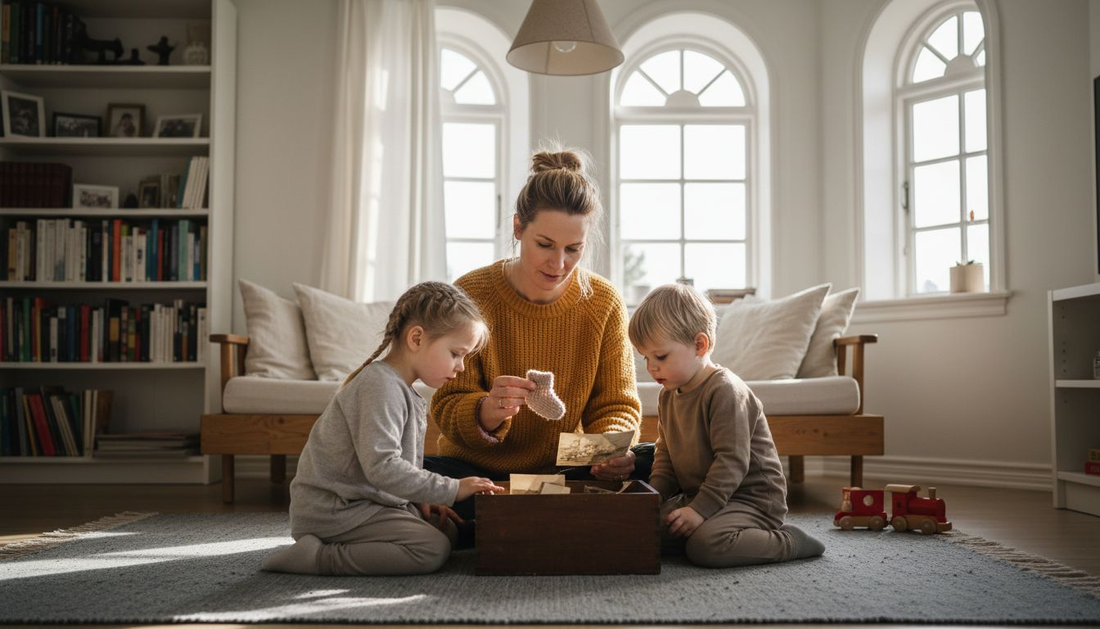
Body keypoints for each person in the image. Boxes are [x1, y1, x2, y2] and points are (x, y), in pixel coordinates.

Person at [428, 147, 646, 524]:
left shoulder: (604, 302)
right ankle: (531, 519)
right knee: (408, 472)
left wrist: (609, 453)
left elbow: (616, 405)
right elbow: (446, 404)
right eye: (544, 244)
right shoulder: (472, 293)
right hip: (478, 471)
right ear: (518, 228)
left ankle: (489, 523)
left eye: (573, 249)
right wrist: (487, 412)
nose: (558, 264)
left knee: (656, 462)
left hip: (566, 469)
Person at [261, 282, 504, 576]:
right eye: (456, 353)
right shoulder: (380, 386)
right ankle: (317, 556)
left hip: (368, 501)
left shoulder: (402, 389)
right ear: (416, 338)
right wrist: (452, 488)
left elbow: (393, 470)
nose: (461, 366)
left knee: (447, 529)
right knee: (431, 549)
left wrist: (421, 497)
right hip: (336, 510)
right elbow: (383, 467)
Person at [627, 283, 825, 567]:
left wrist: (699, 510)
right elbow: (666, 457)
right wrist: (653, 500)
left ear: (700, 345)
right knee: (639, 530)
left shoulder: (725, 391)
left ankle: (788, 540)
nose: (651, 367)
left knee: (707, 547)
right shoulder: (668, 394)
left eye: (660, 356)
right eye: (646, 358)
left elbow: (731, 462)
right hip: (704, 495)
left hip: (750, 499)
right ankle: (705, 527)